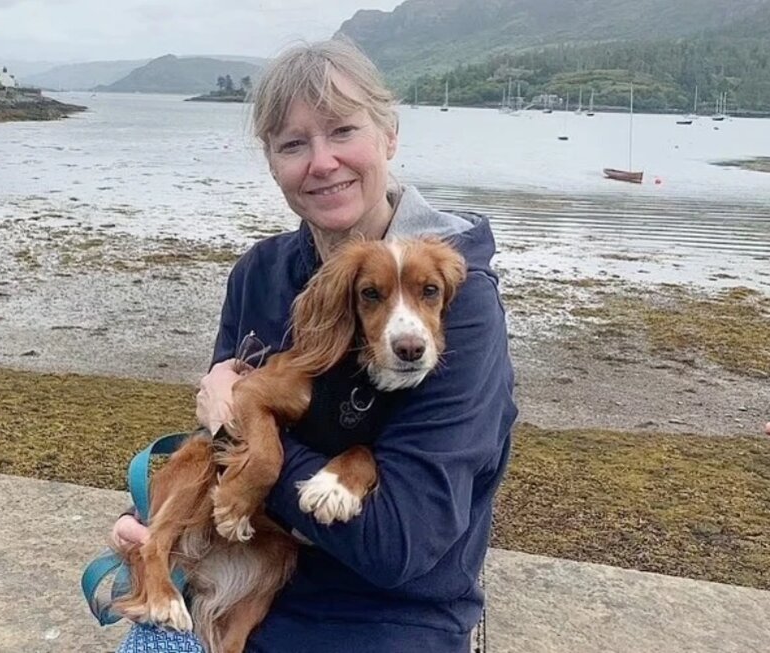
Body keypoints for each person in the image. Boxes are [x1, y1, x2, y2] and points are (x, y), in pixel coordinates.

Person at [112, 38, 517, 653]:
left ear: (389, 135)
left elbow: (397, 545)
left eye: (343, 131)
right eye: (293, 144)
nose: (322, 162)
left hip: (388, 621)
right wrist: (157, 527)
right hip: (246, 578)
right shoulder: (259, 273)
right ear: (271, 161)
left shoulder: (455, 297)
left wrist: (246, 435)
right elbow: (213, 452)